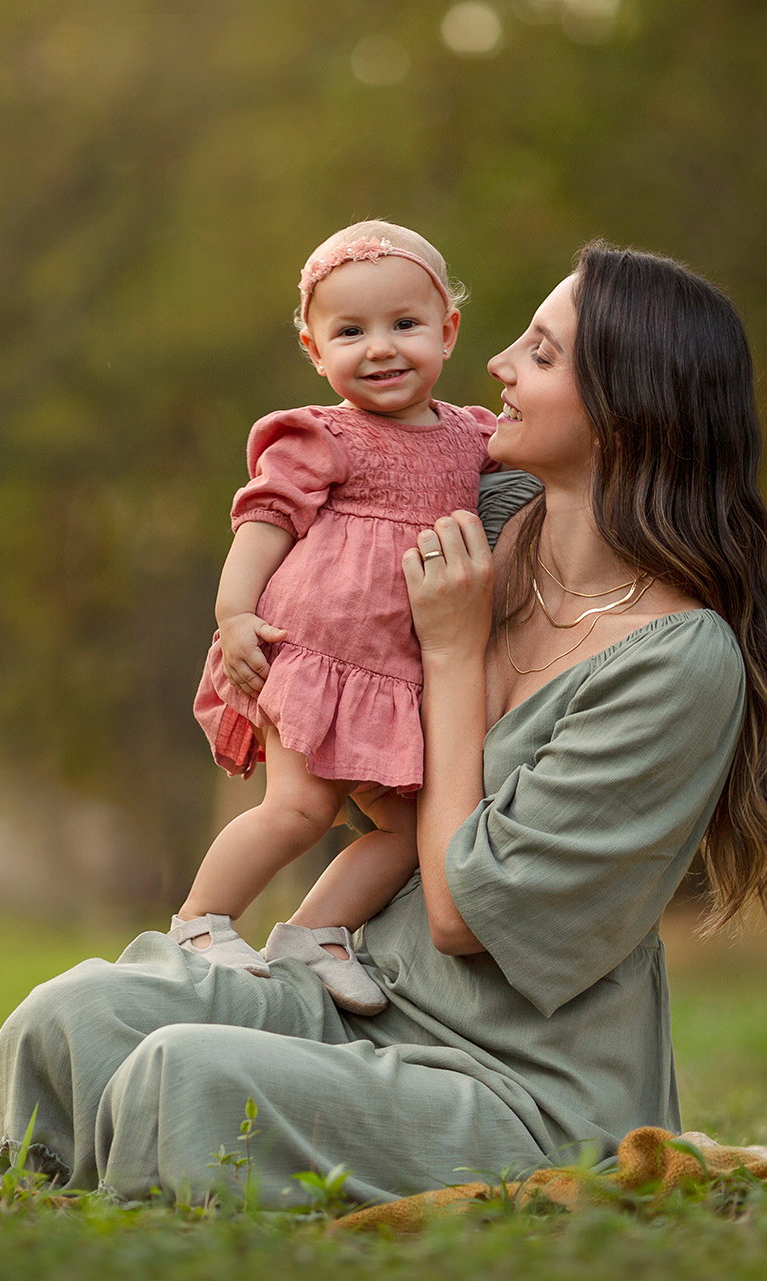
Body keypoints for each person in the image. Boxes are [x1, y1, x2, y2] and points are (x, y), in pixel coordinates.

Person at [0, 241, 767, 1209]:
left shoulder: (675, 661)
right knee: (71, 1017)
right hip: (365, 1001)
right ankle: (0, 1196)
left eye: (543, 354)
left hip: (515, 1088)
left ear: (629, 415)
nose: (500, 366)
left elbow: (462, 916)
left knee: (183, 1075)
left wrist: (448, 656)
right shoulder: (491, 526)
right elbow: (337, 524)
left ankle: (110, 1233)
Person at [179, 220, 499, 1015]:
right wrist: (234, 615)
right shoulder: (324, 436)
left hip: (396, 673)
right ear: (315, 350)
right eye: (351, 332)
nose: (381, 348)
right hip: (313, 651)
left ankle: (314, 932)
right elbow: (263, 525)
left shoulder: (475, 438)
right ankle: (198, 923)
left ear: (448, 331)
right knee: (298, 807)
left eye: (405, 324)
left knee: (413, 829)